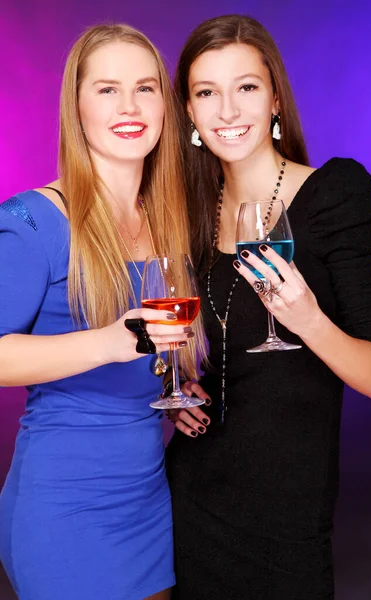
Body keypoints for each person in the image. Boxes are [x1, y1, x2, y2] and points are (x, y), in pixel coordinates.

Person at [166, 14, 371, 599]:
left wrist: (308, 319)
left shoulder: (334, 194)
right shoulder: (193, 216)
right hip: (193, 498)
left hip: (286, 516)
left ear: (273, 99)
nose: (228, 111)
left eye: (246, 87)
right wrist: (188, 389)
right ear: (189, 113)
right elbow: (216, 346)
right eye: (206, 93)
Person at [0, 23, 201, 600]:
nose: (130, 106)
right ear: (77, 106)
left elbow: (148, 351)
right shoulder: (33, 218)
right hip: (63, 504)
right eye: (107, 89)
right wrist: (110, 343)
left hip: (147, 497)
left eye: (145, 88)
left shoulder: (167, 218)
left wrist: (178, 388)